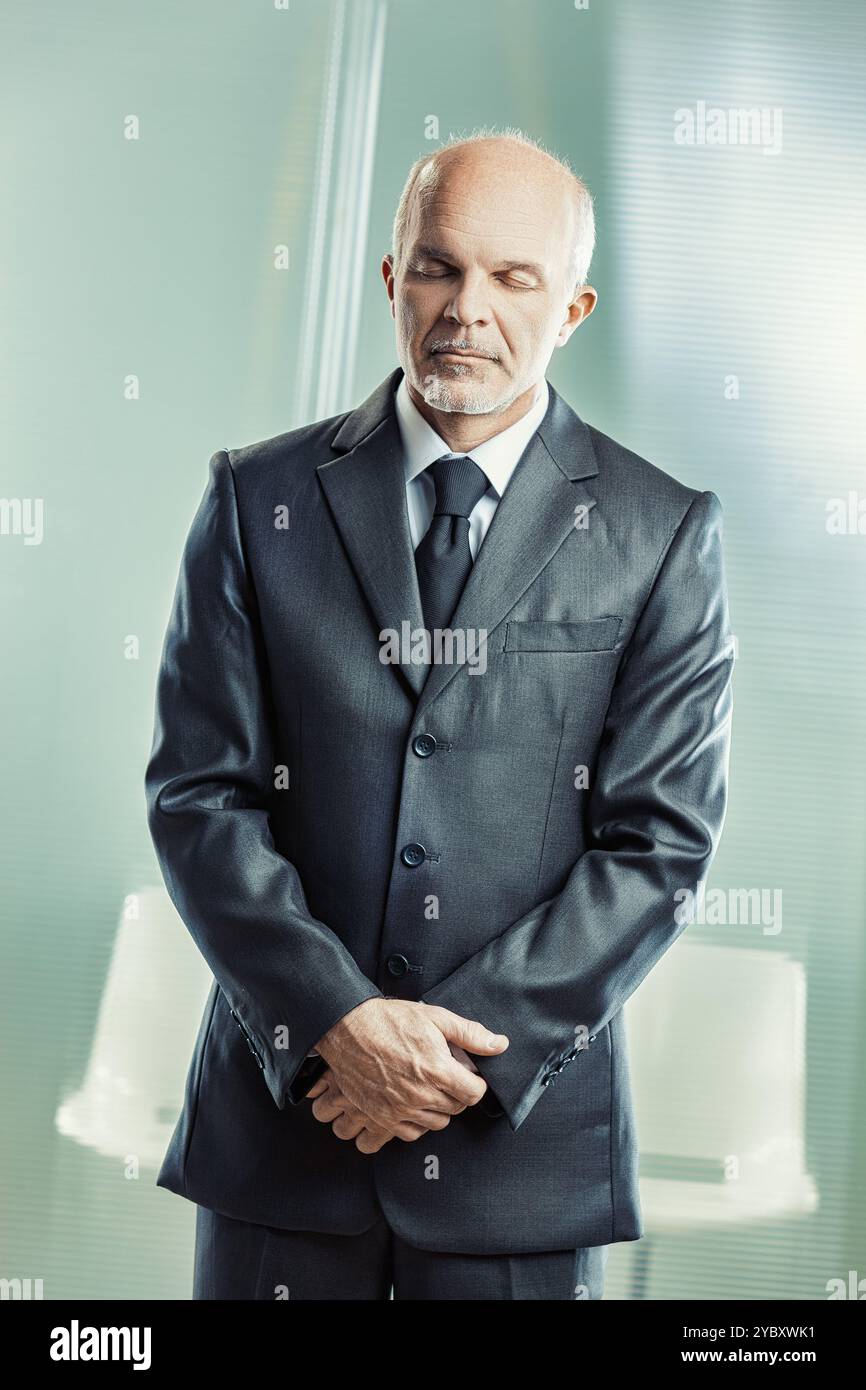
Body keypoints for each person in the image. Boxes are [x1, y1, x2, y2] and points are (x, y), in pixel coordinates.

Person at [145, 128, 733, 1301]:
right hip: (281, 1141)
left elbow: (655, 847)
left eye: (513, 278)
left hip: (514, 1158)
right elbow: (198, 800)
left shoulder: (661, 533)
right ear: (390, 277)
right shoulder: (254, 498)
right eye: (437, 266)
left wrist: (431, 1058)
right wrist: (340, 1023)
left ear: (571, 307)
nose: (467, 308)